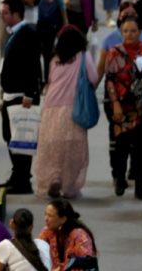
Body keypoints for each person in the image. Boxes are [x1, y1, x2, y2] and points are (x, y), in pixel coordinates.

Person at [34, 26, 99, 199]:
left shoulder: (54, 59)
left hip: (50, 108)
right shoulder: (84, 57)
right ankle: (69, 186)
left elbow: (49, 80)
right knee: (72, 147)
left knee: (52, 146)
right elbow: (93, 78)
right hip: (73, 108)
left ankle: (53, 178)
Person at [104, 15, 142, 200]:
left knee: (141, 149)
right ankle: (120, 178)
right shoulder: (113, 52)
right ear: (121, 32)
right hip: (122, 106)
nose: (129, 34)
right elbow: (110, 80)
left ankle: (140, 188)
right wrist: (115, 104)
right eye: (126, 31)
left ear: (140, 32)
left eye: (133, 31)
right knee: (121, 146)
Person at [0, 0, 43, 194]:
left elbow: (34, 65)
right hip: (11, 94)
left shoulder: (28, 34)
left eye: (5, 13)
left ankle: (23, 181)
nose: (2, 16)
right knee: (10, 137)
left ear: (16, 14)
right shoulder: (16, 33)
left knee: (21, 139)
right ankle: (17, 176)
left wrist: (31, 93)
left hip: (22, 95)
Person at [38, 199, 97, 271]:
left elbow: (84, 264)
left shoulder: (80, 235)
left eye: (50, 216)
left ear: (63, 219)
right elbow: (38, 253)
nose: (45, 219)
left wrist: (60, 270)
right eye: (45, 214)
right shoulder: (47, 231)